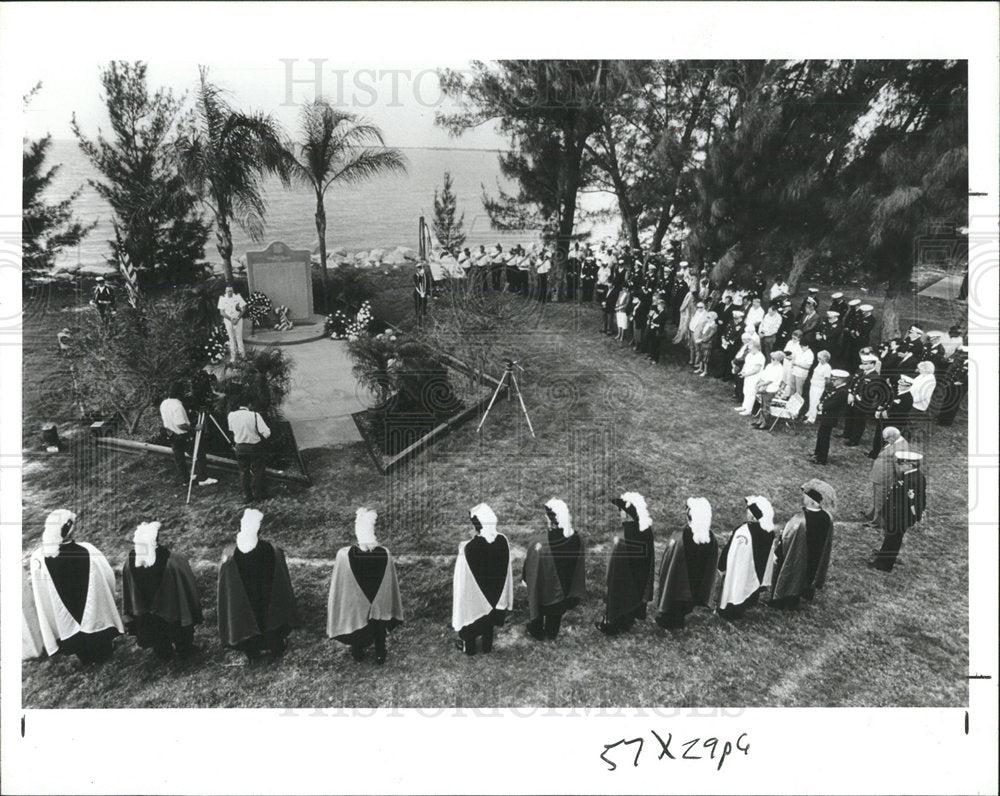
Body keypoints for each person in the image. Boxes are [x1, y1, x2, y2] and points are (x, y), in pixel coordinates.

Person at [23, 509, 123, 664]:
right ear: (69, 532)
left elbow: (41, 591)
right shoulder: (88, 550)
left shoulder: (39, 558)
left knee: (71, 627)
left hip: (63, 611)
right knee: (92, 622)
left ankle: (84, 656)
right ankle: (104, 651)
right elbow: (107, 575)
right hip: (88, 605)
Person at [217, 509, 300, 661]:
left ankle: (252, 653)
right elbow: (280, 583)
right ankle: (276, 648)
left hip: (245, 600)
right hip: (266, 596)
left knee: (246, 620)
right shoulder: (271, 550)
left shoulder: (229, 556)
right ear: (259, 528)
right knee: (270, 618)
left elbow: (228, 590)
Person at [326, 508, 403, 664]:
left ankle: (357, 651)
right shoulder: (385, 553)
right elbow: (390, 581)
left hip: (356, 603)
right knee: (379, 625)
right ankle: (380, 653)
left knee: (357, 622)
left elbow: (341, 583)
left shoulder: (344, 555)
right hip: (379, 602)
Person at [121, 521, 202, 660]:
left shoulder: (130, 563)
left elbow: (129, 590)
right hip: (173, 610)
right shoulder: (174, 560)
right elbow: (187, 586)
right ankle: (185, 649)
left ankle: (163, 652)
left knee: (154, 628)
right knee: (177, 629)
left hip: (146, 613)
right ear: (157, 538)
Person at [453, 503, 514, 655]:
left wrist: (464, 548)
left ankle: (470, 648)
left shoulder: (469, 548)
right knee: (489, 620)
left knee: (473, 619)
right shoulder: (502, 541)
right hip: (496, 592)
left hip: (476, 597)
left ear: (476, 526)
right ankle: (487, 646)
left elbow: (462, 578)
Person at [522, 498, 586, 641]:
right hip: (563, 593)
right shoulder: (576, 539)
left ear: (550, 519)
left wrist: (526, 578)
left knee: (539, 610)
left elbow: (531, 570)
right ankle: (551, 633)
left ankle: (537, 631)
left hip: (543, 591)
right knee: (555, 615)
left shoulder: (539, 543)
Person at [653, 497, 719, 630]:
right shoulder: (711, 538)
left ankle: (669, 619)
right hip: (694, 590)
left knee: (675, 603)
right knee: (684, 604)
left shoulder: (680, 538)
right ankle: (679, 618)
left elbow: (668, 563)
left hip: (678, 587)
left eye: (688, 510)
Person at [768, 480, 835, 609]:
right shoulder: (828, 517)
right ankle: (802, 594)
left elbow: (787, 540)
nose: (803, 497)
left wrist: (777, 552)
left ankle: (780, 601)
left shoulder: (799, 520)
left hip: (797, 556)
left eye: (806, 496)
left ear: (811, 501)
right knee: (809, 571)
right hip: (815, 557)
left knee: (791, 571)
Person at [596, 492, 655, 636]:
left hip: (623, 578)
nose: (620, 514)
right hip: (638, 579)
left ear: (628, 513)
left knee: (620, 594)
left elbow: (615, 564)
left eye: (621, 511)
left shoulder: (624, 536)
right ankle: (627, 621)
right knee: (632, 596)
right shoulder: (645, 530)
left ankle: (612, 624)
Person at [717, 496, 775, 619]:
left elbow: (729, 550)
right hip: (757, 575)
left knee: (737, 586)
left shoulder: (743, 531)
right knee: (750, 582)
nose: (746, 512)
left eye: (749, 510)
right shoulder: (769, 532)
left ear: (753, 515)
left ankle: (731, 610)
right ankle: (750, 601)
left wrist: (721, 566)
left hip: (740, 571)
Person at [868, 451, 926, 572]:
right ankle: (883, 556)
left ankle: (884, 564)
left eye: (901, 463)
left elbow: (913, 502)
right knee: (890, 537)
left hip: (900, 517)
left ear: (910, 465)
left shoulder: (911, 480)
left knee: (893, 539)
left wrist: (909, 518)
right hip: (897, 515)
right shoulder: (911, 476)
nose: (898, 466)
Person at [160, 381, 217, 489]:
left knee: (179, 458)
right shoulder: (177, 405)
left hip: (171, 434)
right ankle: (203, 479)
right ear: (180, 392)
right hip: (182, 436)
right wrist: (195, 429)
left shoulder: (164, 403)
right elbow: (181, 424)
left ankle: (185, 479)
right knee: (199, 454)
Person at [227, 397, 271, 503]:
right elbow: (267, 433)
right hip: (254, 447)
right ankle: (259, 495)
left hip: (240, 447)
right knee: (258, 471)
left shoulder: (231, 415)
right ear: (249, 404)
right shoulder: (255, 415)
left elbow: (231, 430)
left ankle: (247, 496)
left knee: (243, 471)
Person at [864, 426, 909, 528]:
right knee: (877, 496)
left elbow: (899, 467)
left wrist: (899, 479)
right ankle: (871, 514)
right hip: (880, 475)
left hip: (885, 478)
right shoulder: (895, 441)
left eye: (886, 439)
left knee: (881, 500)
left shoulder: (900, 448)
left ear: (892, 437)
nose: (885, 441)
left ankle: (877, 522)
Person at [809, 369, 850, 465]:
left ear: (841, 380)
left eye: (835, 380)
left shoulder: (843, 391)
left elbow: (833, 403)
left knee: (824, 437)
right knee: (821, 435)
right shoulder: (836, 388)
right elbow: (825, 397)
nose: (833, 381)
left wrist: (822, 406)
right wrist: (821, 403)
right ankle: (817, 453)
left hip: (831, 417)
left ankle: (821, 458)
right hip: (826, 415)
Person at [843, 354, 883, 447]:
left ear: (872, 364)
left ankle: (854, 440)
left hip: (862, 402)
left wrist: (856, 397)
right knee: (849, 415)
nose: (863, 365)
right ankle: (847, 433)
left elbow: (870, 392)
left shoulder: (875, 376)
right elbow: (854, 382)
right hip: (853, 398)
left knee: (859, 421)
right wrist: (850, 393)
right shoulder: (862, 372)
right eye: (863, 363)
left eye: (866, 364)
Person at [936, 346, 968, 426]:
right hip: (951, 384)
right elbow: (953, 370)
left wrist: (961, 382)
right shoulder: (961, 361)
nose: (961, 355)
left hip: (960, 387)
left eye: (964, 354)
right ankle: (941, 417)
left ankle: (947, 421)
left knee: (954, 403)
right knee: (946, 400)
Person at [909, 361, 937, 445]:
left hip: (918, 404)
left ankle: (912, 438)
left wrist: (912, 400)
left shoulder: (930, 380)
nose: (918, 370)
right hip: (912, 400)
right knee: (909, 419)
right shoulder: (921, 376)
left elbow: (924, 395)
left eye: (920, 369)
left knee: (912, 421)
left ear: (926, 370)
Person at [217, 284, 247, 362]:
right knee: (231, 338)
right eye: (228, 291)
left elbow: (244, 309)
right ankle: (233, 357)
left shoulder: (237, 297)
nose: (229, 292)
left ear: (233, 291)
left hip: (238, 320)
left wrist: (237, 318)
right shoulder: (222, 299)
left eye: (231, 291)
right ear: (225, 291)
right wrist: (231, 319)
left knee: (239, 338)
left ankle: (242, 355)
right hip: (228, 321)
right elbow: (222, 312)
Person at [735, 338, 765, 416]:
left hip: (754, 378)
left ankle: (748, 410)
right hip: (747, 376)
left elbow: (756, 370)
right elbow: (746, 364)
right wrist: (743, 371)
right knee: (745, 391)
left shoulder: (760, 357)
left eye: (751, 349)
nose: (749, 350)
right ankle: (744, 406)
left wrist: (746, 374)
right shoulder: (749, 354)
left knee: (751, 394)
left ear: (756, 348)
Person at [805, 350, 833, 423]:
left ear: (825, 358)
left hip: (819, 387)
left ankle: (811, 419)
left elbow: (827, 380)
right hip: (813, 385)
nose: (818, 360)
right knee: (811, 400)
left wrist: (825, 388)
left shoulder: (827, 367)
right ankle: (810, 413)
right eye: (818, 358)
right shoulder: (819, 364)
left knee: (815, 402)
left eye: (820, 358)